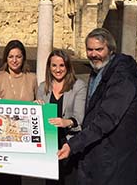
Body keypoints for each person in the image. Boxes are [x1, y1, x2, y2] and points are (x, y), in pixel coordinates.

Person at [57, 28, 137, 185]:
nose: (93, 54)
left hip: (114, 160)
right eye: (90, 49)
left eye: (99, 49)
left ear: (110, 50)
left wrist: (74, 145)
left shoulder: (122, 78)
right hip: (101, 157)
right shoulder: (99, 71)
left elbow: (106, 119)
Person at [36, 49, 87, 185]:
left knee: (70, 180)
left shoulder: (79, 86)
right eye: (54, 65)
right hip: (49, 143)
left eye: (62, 65)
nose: (58, 69)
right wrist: (36, 108)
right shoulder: (43, 88)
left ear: (68, 67)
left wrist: (66, 122)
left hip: (69, 141)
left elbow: (79, 117)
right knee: (51, 181)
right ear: (49, 67)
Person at [0, 40, 37, 185]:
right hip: (4, 134)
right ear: (6, 58)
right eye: (11, 57)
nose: (14, 60)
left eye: (18, 56)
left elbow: (37, 100)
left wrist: (38, 104)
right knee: (4, 176)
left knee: (19, 174)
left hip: (24, 133)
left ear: (23, 58)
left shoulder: (32, 78)